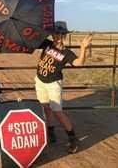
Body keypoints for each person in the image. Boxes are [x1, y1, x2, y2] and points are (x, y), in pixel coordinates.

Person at [35, 21, 92, 154]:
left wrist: (83, 49)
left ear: (65, 35)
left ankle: (73, 138)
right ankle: (51, 132)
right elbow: (33, 41)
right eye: (56, 33)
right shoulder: (47, 44)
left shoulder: (66, 53)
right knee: (45, 107)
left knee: (57, 112)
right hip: (40, 80)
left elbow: (78, 63)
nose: (58, 36)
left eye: (61, 33)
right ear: (52, 34)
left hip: (53, 84)